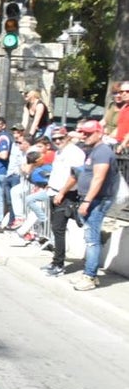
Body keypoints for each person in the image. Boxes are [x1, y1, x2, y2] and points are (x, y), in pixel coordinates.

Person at [61, 119, 117, 291]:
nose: (84, 136)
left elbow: (99, 178)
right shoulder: (93, 150)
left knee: (92, 240)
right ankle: (90, 274)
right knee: (90, 237)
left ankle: (90, 276)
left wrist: (87, 201)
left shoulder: (102, 152)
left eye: (88, 133)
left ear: (99, 133)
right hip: (92, 199)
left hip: (98, 200)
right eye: (83, 133)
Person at [43, 128, 86, 278]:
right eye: (54, 139)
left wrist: (62, 192)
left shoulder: (75, 153)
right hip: (54, 192)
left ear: (67, 137)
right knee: (55, 229)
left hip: (66, 195)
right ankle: (55, 261)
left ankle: (59, 265)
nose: (57, 141)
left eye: (60, 138)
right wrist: (50, 186)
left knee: (59, 229)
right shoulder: (59, 152)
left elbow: (74, 176)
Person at [101, 79, 129, 154]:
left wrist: (123, 144)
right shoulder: (124, 108)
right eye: (122, 91)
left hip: (125, 146)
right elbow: (120, 127)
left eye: (127, 91)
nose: (124, 94)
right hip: (118, 143)